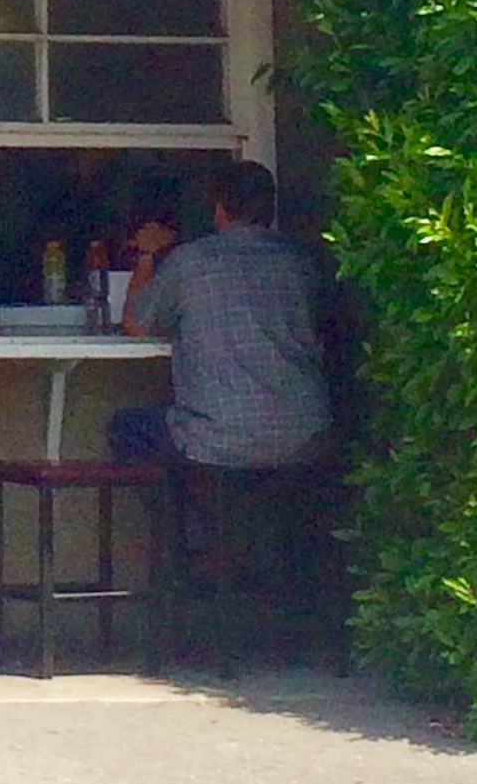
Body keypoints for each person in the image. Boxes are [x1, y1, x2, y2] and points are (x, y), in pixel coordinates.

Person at [111, 159, 333, 659]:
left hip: (221, 439)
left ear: (218, 210)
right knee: (243, 476)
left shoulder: (191, 262)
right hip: (308, 436)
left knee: (128, 428)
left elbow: (137, 324)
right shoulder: (300, 262)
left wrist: (147, 256)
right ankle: (226, 545)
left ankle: (196, 544)